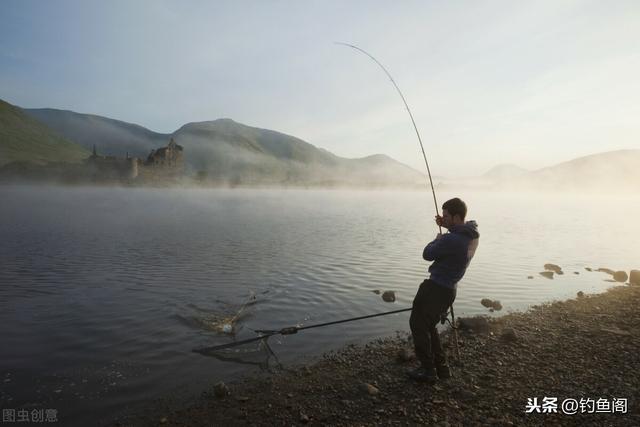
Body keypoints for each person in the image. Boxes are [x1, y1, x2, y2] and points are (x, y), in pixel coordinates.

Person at [407, 197, 479, 382]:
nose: (442, 218)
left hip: (436, 289)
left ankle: (428, 370)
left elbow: (427, 254)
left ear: (456, 217)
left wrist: (437, 239)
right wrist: (446, 226)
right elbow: (458, 233)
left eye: (446, 216)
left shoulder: (450, 240)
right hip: (449, 290)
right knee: (429, 326)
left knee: (418, 324)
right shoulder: (470, 235)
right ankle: (441, 369)